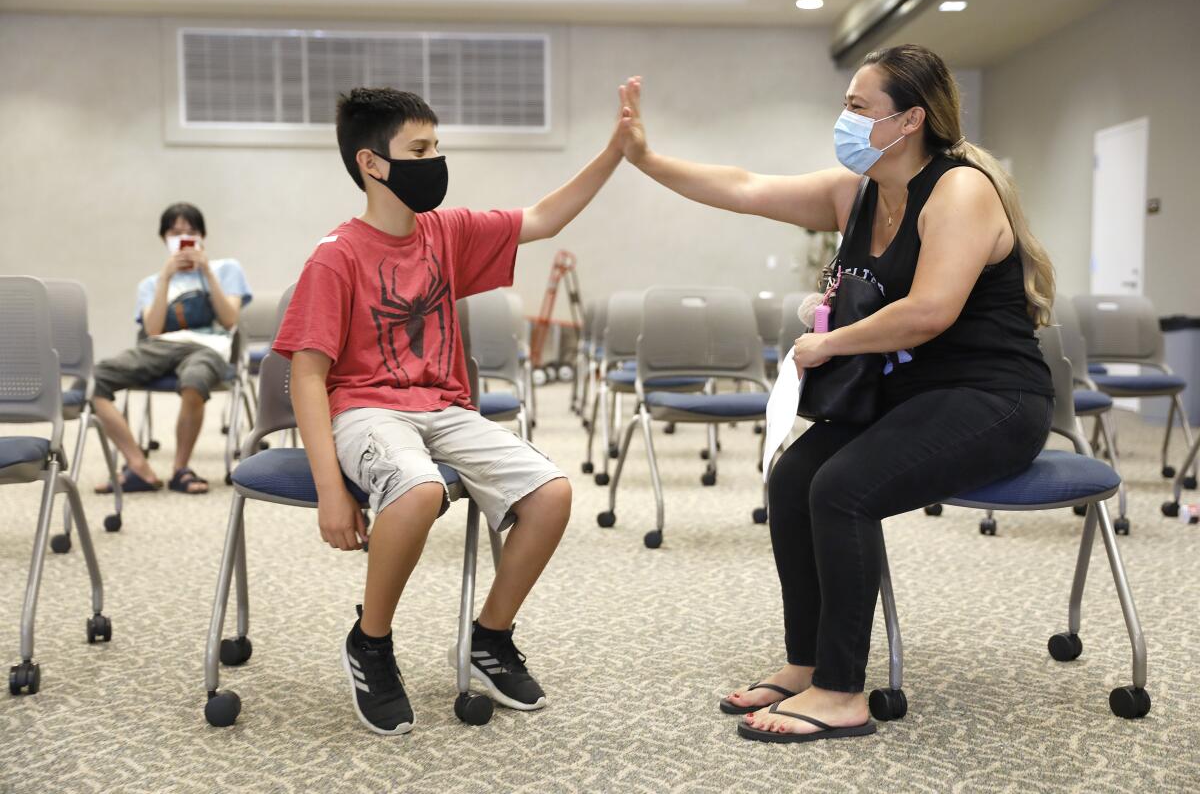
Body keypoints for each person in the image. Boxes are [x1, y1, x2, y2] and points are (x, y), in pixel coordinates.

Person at [613, 45, 1056, 743]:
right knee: (794, 478)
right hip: (910, 393)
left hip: (994, 398)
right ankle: (807, 661)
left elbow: (931, 310)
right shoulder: (858, 191)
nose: (842, 120)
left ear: (909, 119)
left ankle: (843, 691)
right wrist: (647, 159)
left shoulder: (960, 190)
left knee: (841, 486)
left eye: (857, 107)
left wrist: (827, 342)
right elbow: (743, 186)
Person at [272, 87, 622, 735]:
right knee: (418, 489)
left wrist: (614, 153)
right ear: (373, 163)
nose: (436, 160)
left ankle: (489, 636)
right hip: (367, 407)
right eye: (421, 150)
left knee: (551, 493)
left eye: (437, 147)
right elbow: (308, 374)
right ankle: (370, 641)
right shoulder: (336, 255)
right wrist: (330, 488)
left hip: (446, 406)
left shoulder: (447, 231)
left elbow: (545, 217)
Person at [90, 203, 252, 496]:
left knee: (194, 381)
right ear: (164, 238)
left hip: (208, 347)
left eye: (191, 232)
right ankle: (138, 466)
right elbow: (152, 330)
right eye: (176, 233)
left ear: (202, 236)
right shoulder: (151, 283)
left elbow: (229, 319)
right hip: (161, 347)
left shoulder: (227, 269)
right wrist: (166, 277)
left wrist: (206, 272)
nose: (184, 239)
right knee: (95, 379)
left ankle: (180, 469)